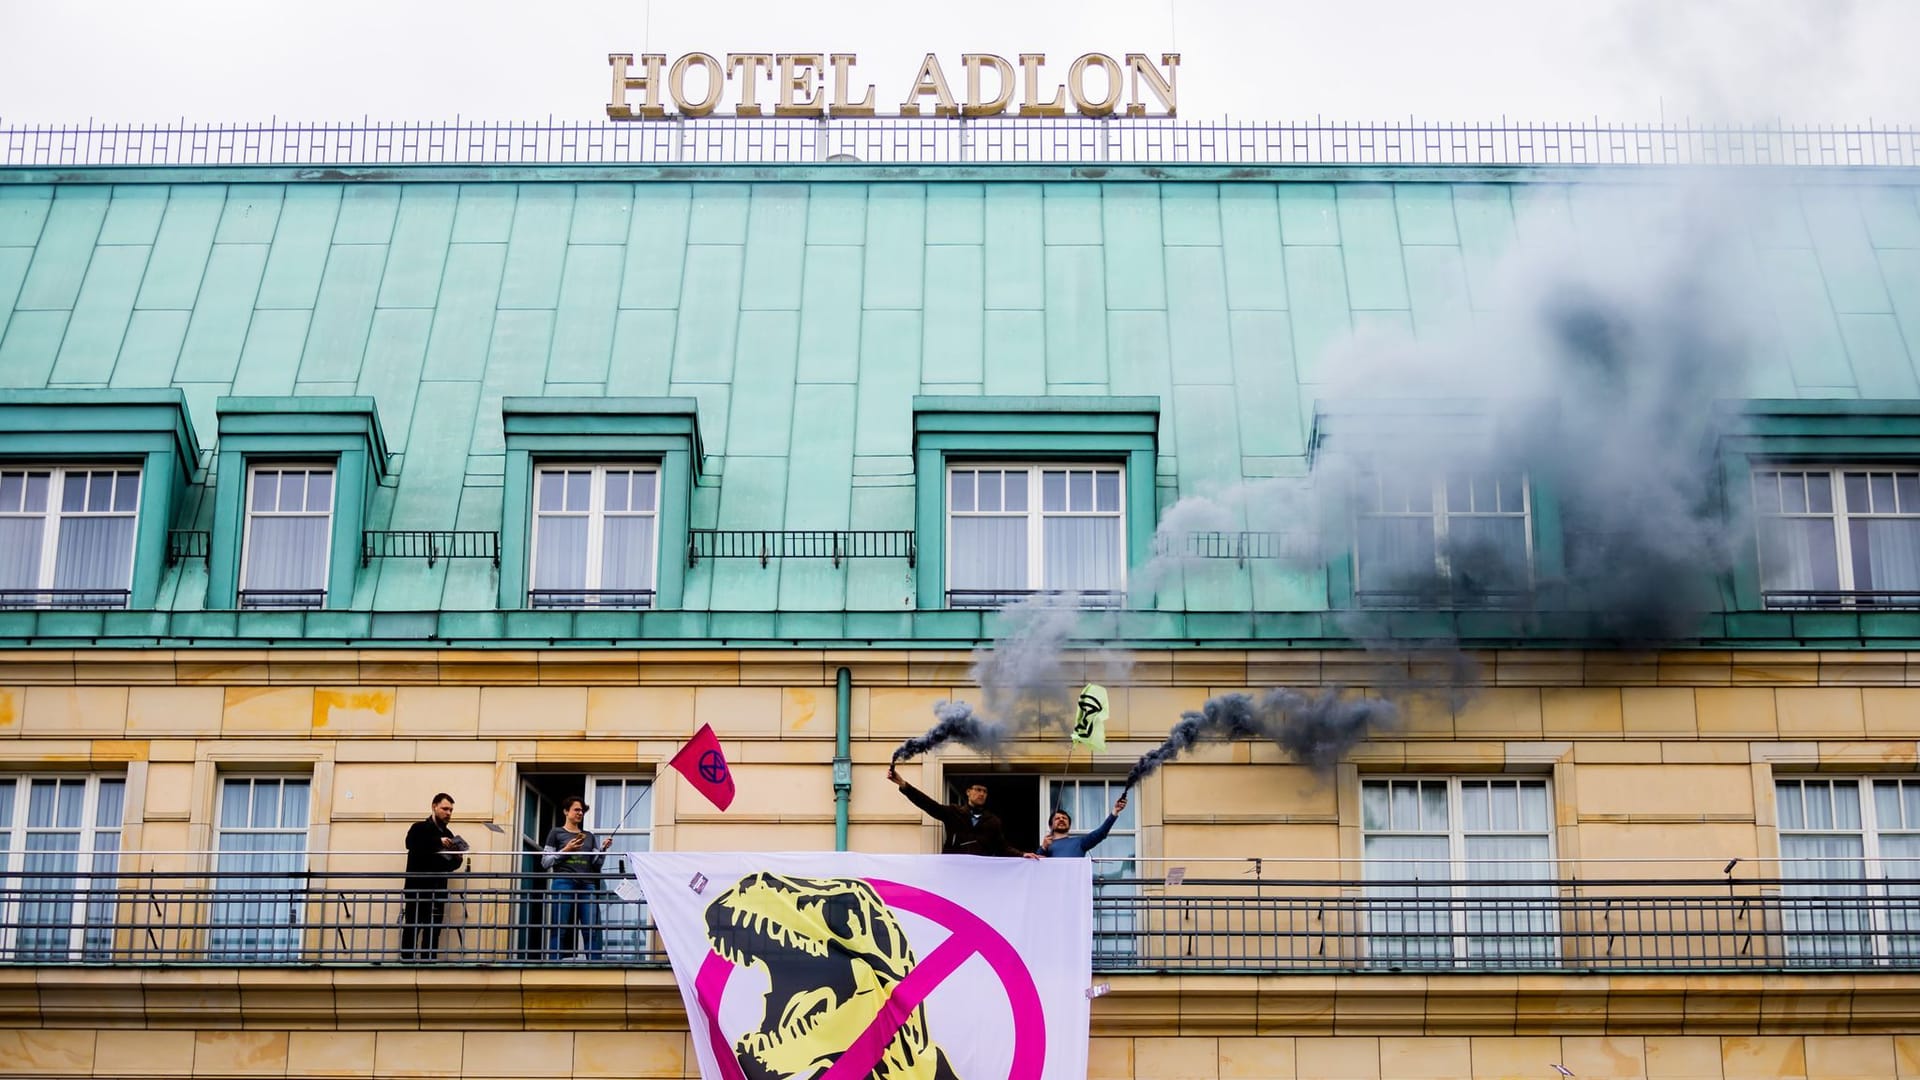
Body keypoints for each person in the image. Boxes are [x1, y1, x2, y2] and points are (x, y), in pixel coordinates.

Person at [888, 765, 1038, 859]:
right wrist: (904, 785)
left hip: (980, 875)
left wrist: (1022, 854)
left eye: (985, 791)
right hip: (953, 871)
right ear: (968, 792)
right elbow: (929, 805)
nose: (981, 794)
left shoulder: (993, 821)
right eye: (978, 790)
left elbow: (1002, 847)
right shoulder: (954, 812)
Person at [542, 796, 614, 959]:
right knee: (559, 926)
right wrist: (566, 850)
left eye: (582, 810)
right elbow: (545, 861)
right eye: (576, 809)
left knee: (591, 928)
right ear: (566, 812)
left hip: (587, 884)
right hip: (563, 881)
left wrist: (603, 849)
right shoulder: (556, 833)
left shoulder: (589, 836)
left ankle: (594, 964)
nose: (580, 813)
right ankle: (554, 964)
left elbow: (597, 864)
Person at [400, 792, 466, 961]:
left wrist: (457, 859)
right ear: (434, 807)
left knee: (434, 930)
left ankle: (428, 962)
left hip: (438, 888)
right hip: (417, 887)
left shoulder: (450, 834)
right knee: (412, 926)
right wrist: (438, 842)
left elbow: (449, 865)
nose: (448, 813)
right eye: (445, 809)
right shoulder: (419, 828)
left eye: (451, 810)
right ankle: (407, 961)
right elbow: (411, 843)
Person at [1039, 793, 1128, 858]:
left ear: (1069, 826)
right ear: (1050, 826)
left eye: (1064, 818)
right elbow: (1036, 868)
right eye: (1057, 818)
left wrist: (1115, 811)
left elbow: (1101, 833)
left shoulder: (1080, 842)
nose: (1061, 819)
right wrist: (1043, 848)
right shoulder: (1046, 845)